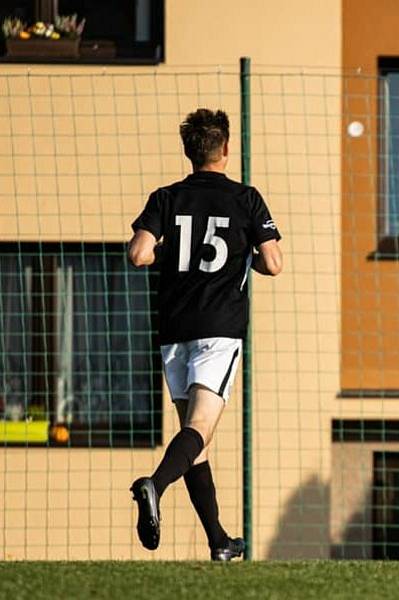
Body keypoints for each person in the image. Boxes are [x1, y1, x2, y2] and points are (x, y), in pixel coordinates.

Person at [127, 108, 283, 561]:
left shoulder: (166, 197)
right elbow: (273, 263)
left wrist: (167, 250)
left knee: (192, 440)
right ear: (227, 149)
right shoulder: (246, 198)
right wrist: (244, 256)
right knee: (198, 430)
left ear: (188, 152)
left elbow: (139, 254)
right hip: (219, 331)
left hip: (174, 330)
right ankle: (153, 485)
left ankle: (219, 541)